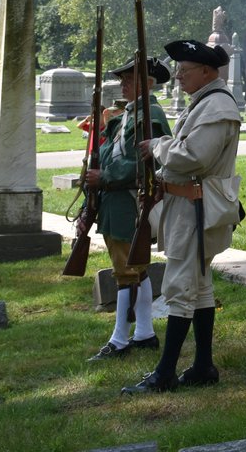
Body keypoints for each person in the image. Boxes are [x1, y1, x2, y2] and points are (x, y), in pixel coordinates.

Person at [122, 40, 241, 394]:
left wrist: (157, 146)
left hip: (196, 209)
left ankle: (164, 374)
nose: (178, 77)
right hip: (186, 205)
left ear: (208, 72)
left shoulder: (217, 106)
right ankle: (203, 365)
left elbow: (193, 158)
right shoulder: (205, 103)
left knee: (179, 287)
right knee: (199, 286)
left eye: (185, 71)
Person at [84, 56, 171, 361]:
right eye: (122, 80)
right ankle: (144, 333)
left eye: (129, 79)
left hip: (130, 202)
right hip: (115, 202)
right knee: (136, 269)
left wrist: (104, 176)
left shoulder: (151, 116)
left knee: (126, 272)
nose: (123, 84)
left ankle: (120, 338)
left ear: (148, 83)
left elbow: (146, 162)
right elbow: (107, 156)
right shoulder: (126, 116)